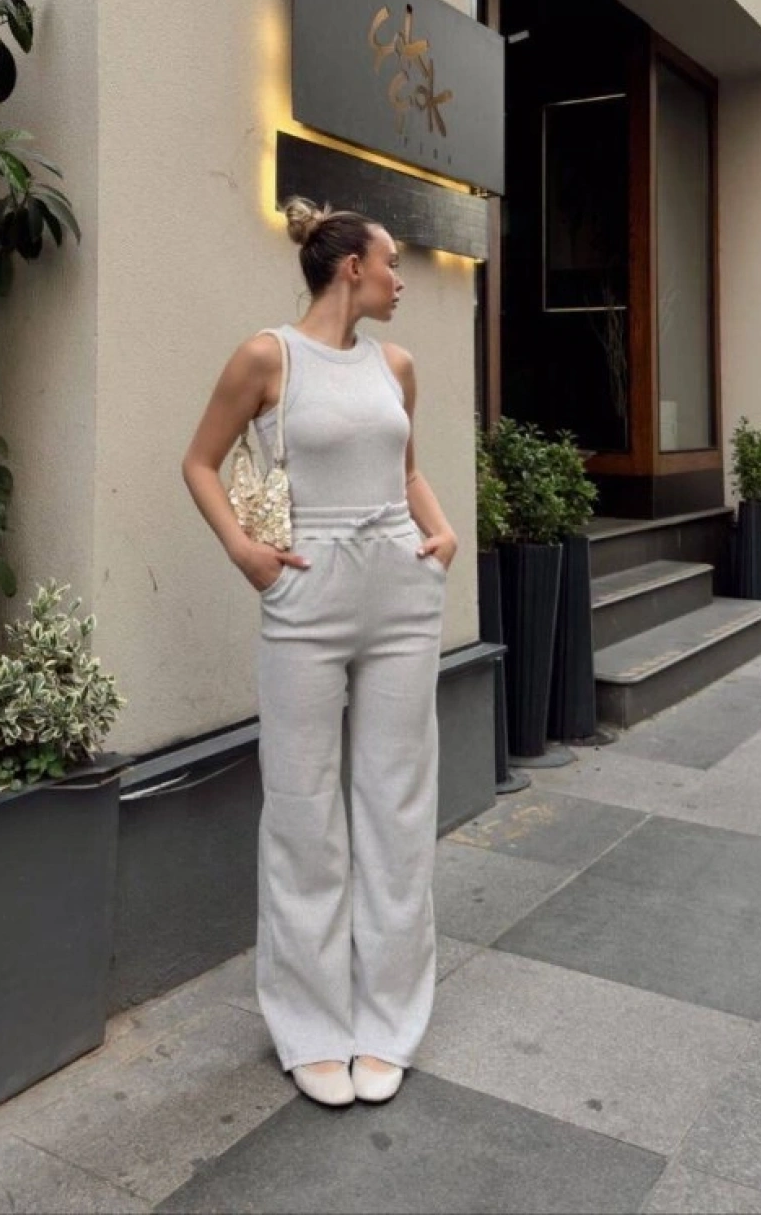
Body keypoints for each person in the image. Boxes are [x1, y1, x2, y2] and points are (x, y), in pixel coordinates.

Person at [182, 197, 457, 1107]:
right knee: (303, 811)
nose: (400, 279)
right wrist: (245, 553)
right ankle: (310, 1025)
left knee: (397, 806)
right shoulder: (269, 357)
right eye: (391, 263)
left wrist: (443, 534)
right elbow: (200, 462)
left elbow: (406, 470)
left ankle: (388, 1019)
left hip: (400, 591)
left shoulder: (396, 365)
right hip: (307, 592)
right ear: (352, 267)